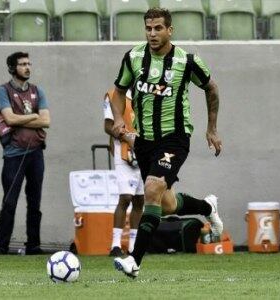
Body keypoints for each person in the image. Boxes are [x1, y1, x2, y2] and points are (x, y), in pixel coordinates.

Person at [111, 8, 223, 278]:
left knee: (151, 188)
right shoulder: (134, 57)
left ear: (169, 30)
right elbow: (118, 91)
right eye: (148, 28)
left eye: (158, 28)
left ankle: (134, 261)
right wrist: (117, 119)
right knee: (166, 203)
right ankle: (208, 207)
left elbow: (211, 88)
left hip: (175, 137)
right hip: (144, 140)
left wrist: (211, 128)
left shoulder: (187, 61)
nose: (152, 33)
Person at [0, 52, 50, 255]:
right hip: (13, 155)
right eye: (22, 64)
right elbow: (9, 119)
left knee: (35, 201)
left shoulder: (37, 91)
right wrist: (33, 115)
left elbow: (46, 121)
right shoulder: (4, 90)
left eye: (29, 63)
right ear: (12, 68)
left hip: (36, 154)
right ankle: (1, 247)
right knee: (9, 201)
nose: (27, 67)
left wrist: (26, 118)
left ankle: (33, 245)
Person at [103, 88, 144, 257]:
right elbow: (107, 126)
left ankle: (133, 246)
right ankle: (115, 245)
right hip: (123, 151)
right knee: (125, 197)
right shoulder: (114, 94)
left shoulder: (147, 92)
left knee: (139, 199)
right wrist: (127, 137)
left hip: (143, 151)